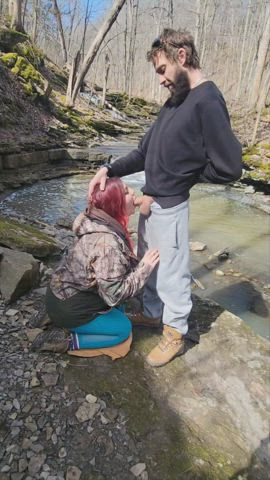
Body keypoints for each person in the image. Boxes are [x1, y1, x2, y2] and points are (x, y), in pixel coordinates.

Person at [88, 28, 242, 368]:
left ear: (181, 57)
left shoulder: (208, 100)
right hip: (150, 204)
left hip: (171, 206)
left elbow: (230, 167)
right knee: (151, 263)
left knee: (173, 274)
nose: (160, 80)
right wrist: (108, 169)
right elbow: (144, 152)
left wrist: (184, 177)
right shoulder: (175, 102)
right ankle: (153, 313)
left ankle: (175, 332)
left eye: (162, 70)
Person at [32, 178, 159, 357]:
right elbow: (114, 295)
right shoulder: (107, 244)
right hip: (70, 308)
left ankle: (52, 316)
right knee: (123, 329)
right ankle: (65, 341)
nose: (133, 192)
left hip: (58, 296)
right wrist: (144, 268)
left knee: (121, 309)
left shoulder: (94, 220)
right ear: (115, 204)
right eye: (126, 192)